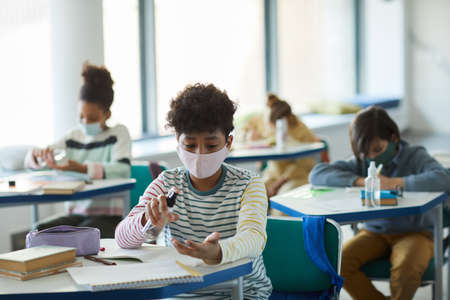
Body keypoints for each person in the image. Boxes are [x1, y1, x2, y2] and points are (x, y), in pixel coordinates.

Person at [115, 83, 272, 299]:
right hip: (181, 293)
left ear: (228, 143)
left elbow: (254, 239)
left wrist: (218, 252)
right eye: (190, 145)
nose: (199, 155)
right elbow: (122, 238)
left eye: (211, 146)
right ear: (177, 143)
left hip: (242, 292)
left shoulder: (248, 185)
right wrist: (145, 221)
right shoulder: (167, 183)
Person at [309, 106, 450, 300]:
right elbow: (317, 174)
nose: (373, 157)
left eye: (378, 149)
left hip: (417, 232)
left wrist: (396, 183)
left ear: (394, 138)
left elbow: (443, 178)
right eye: (367, 154)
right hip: (374, 232)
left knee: (405, 269)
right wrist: (360, 181)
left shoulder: (415, 156)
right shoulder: (362, 162)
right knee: (336, 262)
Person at [25, 62, 131, 238]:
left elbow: (122, 170)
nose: (85, 122)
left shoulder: (119, 133)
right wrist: (37, 157)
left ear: (107, 114)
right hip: (76, 214)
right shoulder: (73, 137)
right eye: (81, 116)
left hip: (110, 217)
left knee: (82, 234)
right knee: (38, 231)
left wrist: (81, 168)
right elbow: (44, 164)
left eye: (92, 118)